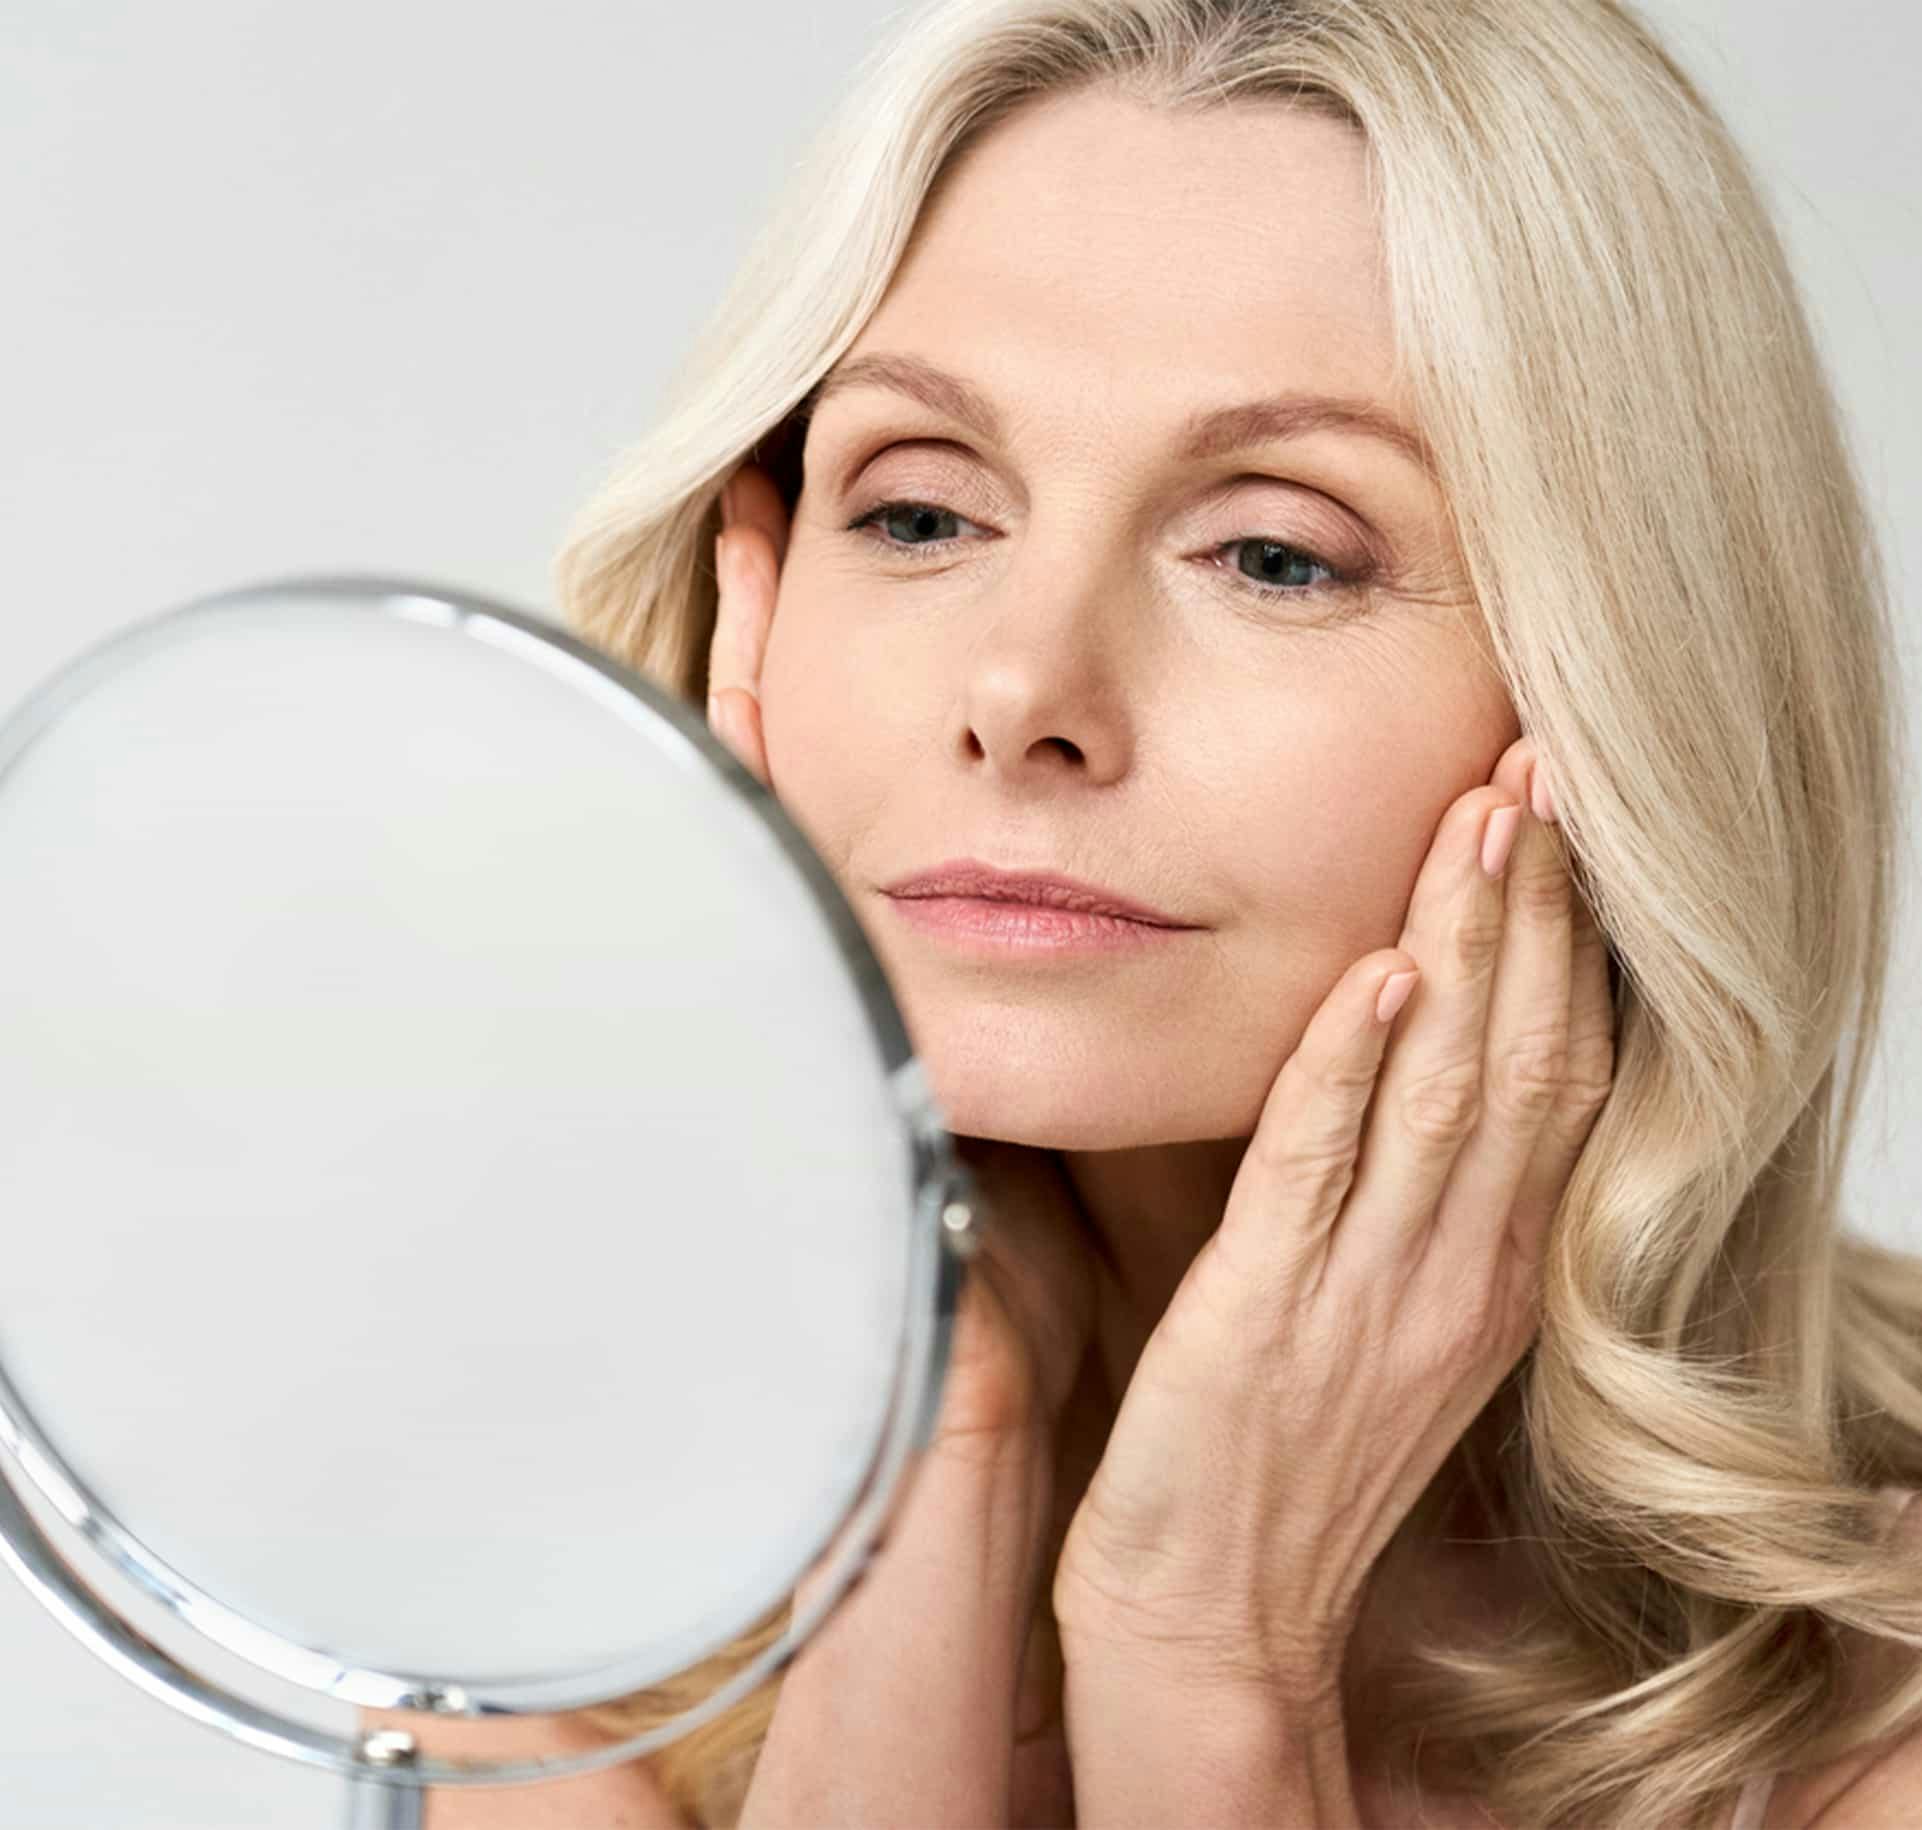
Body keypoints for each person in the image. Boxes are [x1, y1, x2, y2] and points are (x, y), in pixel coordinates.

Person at [382, 1, 1922, 1823]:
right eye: (921, 514)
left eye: (1274, 551)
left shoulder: (1869, 1694)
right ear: (757, 601)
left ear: (1624, 703)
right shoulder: (558, 1637)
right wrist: (939, 1470)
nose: (1022, 680)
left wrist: (1205, 1651)